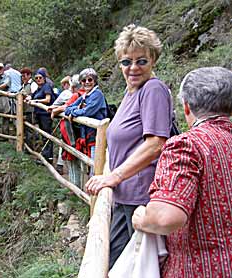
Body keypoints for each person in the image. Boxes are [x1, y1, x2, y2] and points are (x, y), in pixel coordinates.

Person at [85, 24, 174, 269]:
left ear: (153, 59)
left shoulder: (153, 90)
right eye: (126, 62)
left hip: (140, 198)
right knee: (117, 264)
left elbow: (155, 144)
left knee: (127, 267)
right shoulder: (131, 91)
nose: (133, 68)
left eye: (141, 61)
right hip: (126, 195)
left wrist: (113, 176)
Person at [132, 67, 232, 277]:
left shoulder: (186, 145)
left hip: (200, 270)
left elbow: (165, 217)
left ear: (186, 107)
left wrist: (141, 217)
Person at [65, 68, 108, 160]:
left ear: (95, 81)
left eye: (90, 79)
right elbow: (67, 109)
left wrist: (75, 111)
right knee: (89, 163)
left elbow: (87, 111)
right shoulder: (85, 95)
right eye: (84, 80)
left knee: (95, 165)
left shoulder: (97, 95)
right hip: (87, 135)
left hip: (97, 136)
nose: (87, 82)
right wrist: (78, 108)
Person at [26, 69, 55, 163]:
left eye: (40, 77)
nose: (38, 79)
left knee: (47, 135)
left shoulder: (46, 87)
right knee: (43, 135)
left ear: (44, 78)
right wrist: (28, 98)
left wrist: (36, 101)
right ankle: (46, 156)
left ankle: (48, 157)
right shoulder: (39, 88)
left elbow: (47, 99)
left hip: (45, 115)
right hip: (40, 114)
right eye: (36, 78)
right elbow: (32, 96)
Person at [20, 67, 38, 148]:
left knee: (30, 129)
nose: (23, 78)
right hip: (25, 110)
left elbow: (35, 96)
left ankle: (30, 148)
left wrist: (26, 96)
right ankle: (27, 146)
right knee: (25, 128)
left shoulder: (33, 84)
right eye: (22, 76)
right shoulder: (24, 85)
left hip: (31, 110)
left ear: (29, 75)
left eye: (24, 76)